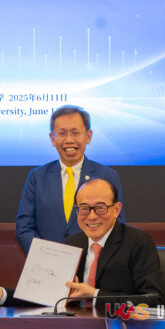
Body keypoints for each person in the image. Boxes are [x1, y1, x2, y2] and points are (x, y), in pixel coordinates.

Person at [0, 178, 163, 308]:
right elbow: (44, 295)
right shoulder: (74, 242)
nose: (92, 216)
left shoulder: (138, 242)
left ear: (116, 209)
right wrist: (0, 294)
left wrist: (95, 295)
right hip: (76, 328)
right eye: (84, 208)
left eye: (100, 208)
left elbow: (153, 300)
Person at [15, 105, 125, 254]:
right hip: (48, 263)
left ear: (88, 136)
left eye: (75, 133)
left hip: (92, 262)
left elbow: (116, 226)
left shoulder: (106, 176)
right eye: (62, 133)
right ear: (52, 139)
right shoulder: (37, 177)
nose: (69, 140)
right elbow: (24, 228)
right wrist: (46, 256)